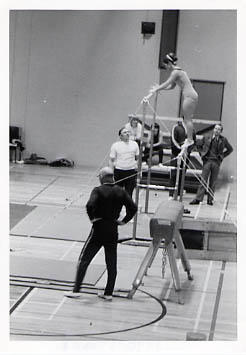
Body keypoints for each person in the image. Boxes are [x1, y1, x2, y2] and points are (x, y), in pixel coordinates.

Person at [65, 167, 137, 300]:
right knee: (111, 261)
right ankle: (108, 293)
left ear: (102, 177)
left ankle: (76, 290)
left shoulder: (97, 190)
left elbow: (89, 205)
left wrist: (93, 218)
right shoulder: (121, 191)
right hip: (113, 228)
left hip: (99, 228)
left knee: (84, 259)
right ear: (113, 178)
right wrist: (123, 221)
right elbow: (133, 208)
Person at [146, 52, 198, 148]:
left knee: (187, 119)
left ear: (169, 63)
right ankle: (189, 139)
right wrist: (159, 88)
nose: (165, 68)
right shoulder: (178, 72)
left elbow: (166, 83)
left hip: (189, 96)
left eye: (165, 65)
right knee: (187, 119)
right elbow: (171, 86)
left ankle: (190, 140)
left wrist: (156, 89)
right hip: (190, 95)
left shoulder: (176, 72)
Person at [190, 124, 233, 206]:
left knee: (213, 182)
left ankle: (210, 200)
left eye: (219, 129)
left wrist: (222, 156)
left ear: (221, 131)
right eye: (216, 128)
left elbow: (230, 149)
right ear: (213, 129)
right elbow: (198, 145)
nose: (216, 130)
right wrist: (202, 154)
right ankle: (198, 199)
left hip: (216, 162)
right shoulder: (206, 137)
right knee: (203, 180)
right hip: (207, 161)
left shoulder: (223, 140)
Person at [169, 118, 196, 198]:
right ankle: (171, 194)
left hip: (186, 155)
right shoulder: (176, 127)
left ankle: (178, 193)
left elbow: (193, 142)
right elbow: (173, 140)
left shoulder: (192, 129)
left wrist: (188, 151)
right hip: (176, 153)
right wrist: (180, 149)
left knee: (182, 174)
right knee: (174, 174)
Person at [109, 127, 139, 198]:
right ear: (120, 136)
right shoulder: (115, 145)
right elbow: (111, 160)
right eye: (125, 132)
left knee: (129, 195)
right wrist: (111, 173)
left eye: (128, 132)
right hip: (119, 172)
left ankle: (128, 209)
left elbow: (138, 158)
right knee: (117, 195)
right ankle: (116, 209)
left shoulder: (135, 144)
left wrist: (136, 168)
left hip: (130, 172)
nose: (127, 133)